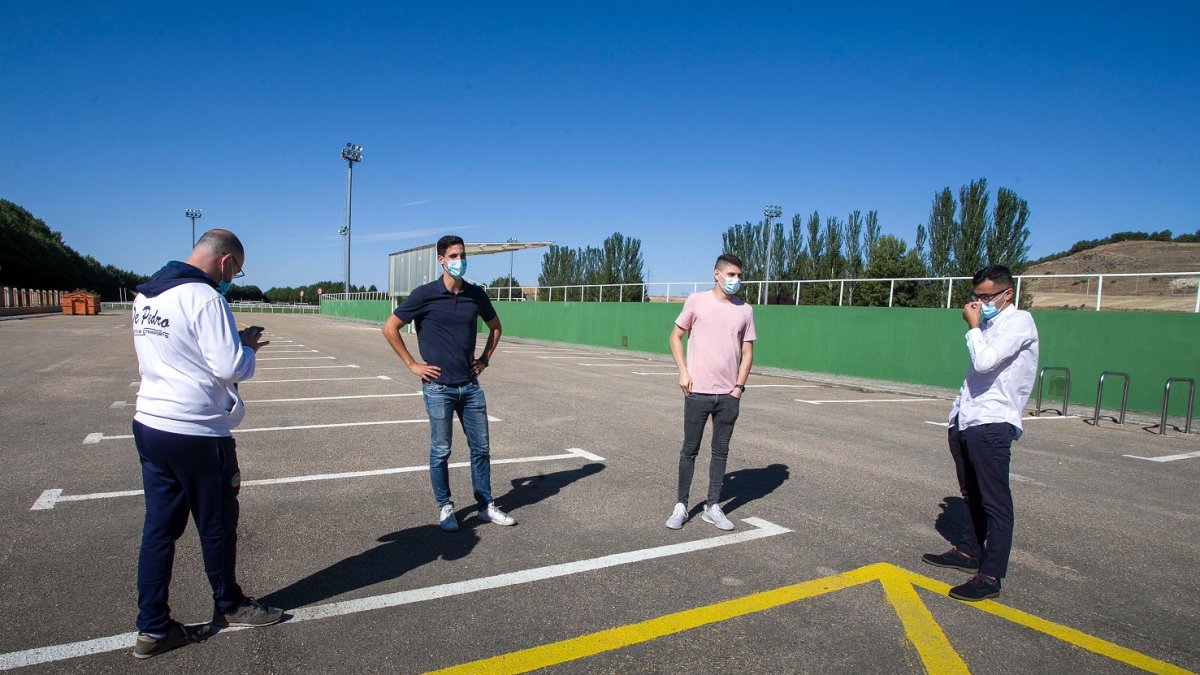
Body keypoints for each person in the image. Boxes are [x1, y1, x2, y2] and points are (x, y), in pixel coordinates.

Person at [129, 229, 283, 659]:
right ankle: (230, 604)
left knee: (159, 530)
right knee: (216, 525)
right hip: (195, 430)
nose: (232, 277)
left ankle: (153, 626)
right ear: (225, 262)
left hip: (151, 423)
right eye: (235, 270)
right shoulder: (205, 297)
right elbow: (230, 365)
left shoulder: (147, 295)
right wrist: (247, 347)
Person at [382, 235, 515, 531]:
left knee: (481, 449)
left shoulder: (475, 294)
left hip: (469, 386)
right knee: (441, 450)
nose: (459, 261)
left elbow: (496, 327)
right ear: (441, 260)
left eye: (462, 255)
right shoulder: (424, 294)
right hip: (438, 388)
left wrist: (484, 359)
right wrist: (412, 364)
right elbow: (390, 327)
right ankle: (445, 507)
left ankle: (485, 506)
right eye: (453, 256)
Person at [922, 264, 1039, 601]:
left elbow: (986, 362)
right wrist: (955, 417)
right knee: (970, 491)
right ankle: (968, 551)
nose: (981, 302)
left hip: (993, 421)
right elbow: (974, 376)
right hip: (968, 419)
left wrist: (973, 326)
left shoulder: (1019, 322)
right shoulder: (990, 324)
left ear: (1007, 294)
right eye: (977, 296)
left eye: (988, 296)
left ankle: (990, 575)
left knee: (995, 502)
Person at [665, 254, 756, 531]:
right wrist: (683, 370)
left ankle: (712, 506)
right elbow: (675, 336)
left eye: (739, 275)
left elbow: (747, 352)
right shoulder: (696, 301)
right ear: (716, 274)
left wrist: (738, 388)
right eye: (731, 275)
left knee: (720, 452)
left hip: (728, 396)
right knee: (689, 450)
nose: (735, 280)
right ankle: (681, 505)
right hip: (697, 392)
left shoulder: (745, 310)